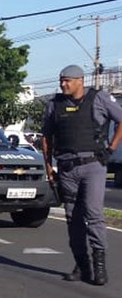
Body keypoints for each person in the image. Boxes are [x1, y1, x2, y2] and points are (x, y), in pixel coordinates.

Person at [41, 64, 122, 285]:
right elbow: (46, 136)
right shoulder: (54, 104)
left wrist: (111, 149)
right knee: (72, 218)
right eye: (61, 80)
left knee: (93, 214)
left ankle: (99, 266)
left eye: (67, 80)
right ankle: (82, 265)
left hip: (93, 165)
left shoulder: (99, 98)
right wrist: (48, 167)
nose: (63, 84)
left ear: (80, 81)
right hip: (67, 168)